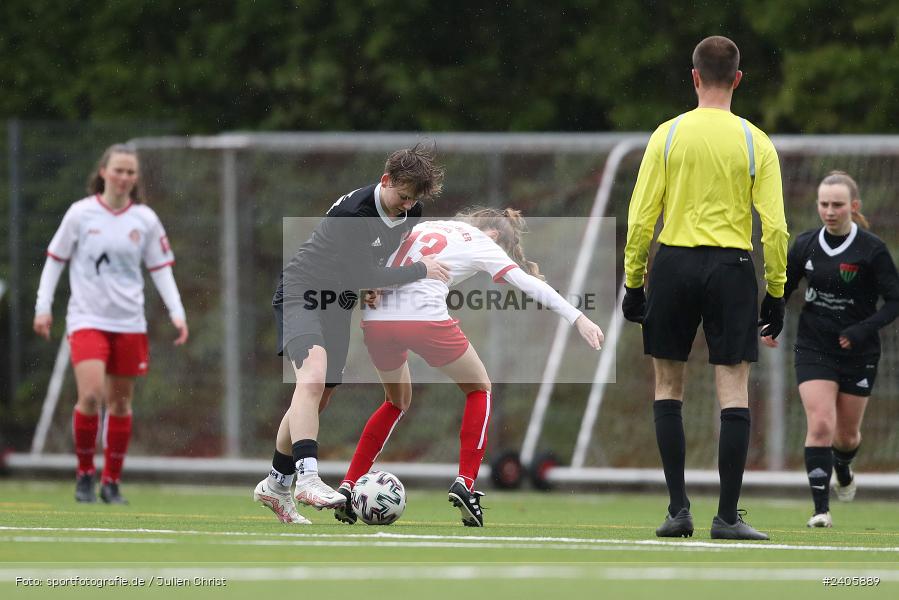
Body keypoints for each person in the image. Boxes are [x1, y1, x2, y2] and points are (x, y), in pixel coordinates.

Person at [330, 208, 604, 527]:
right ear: (494, 234)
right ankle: (466, 484)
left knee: (396, 401)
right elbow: (527, 283)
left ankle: (348, 486)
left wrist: (369, 286)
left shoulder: (430, 225)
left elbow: (377, 250)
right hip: (423, 318)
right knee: (479, 388)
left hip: (376, 317)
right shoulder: (480, 240)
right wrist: (578, 317)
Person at [622, 36, 789, 540]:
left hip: (673, 263)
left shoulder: (668, 135)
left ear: (694, 77)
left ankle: (678, 510)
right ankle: (727, 517)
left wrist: (634, 281)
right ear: (738, 79)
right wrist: (776, 290)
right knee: (733, 391)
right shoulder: (755, 141)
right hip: (732, 267)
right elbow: (775, 228)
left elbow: (641, 217)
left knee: (668, 386)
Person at [253, 143, 450, 524]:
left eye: (414, 200)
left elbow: (378, 263)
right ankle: (307, 478)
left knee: (319, 395)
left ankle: (276, 484)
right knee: (311, 379)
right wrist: (419, 270)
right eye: (403, 196)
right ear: (385, 180)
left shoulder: (411, 212)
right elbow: (366, 272)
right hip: (302, 292)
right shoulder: (353, 213)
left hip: (337, 303)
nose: (407, 206)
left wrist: (378, 284)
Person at [33, 143, 189, 504]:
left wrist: (177, 312)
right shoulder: (80, 214)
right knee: (90, 395)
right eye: (118, 170)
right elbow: (55, 260)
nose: (123, 177)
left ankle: (111, 482)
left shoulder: (145, 219)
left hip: (129, 322)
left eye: (130, 172)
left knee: (120, 404)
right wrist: (43, 307)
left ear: (136, 178)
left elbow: (160, 269)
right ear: (103, 172)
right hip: (87, 319)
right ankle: (85, 474)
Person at [762, 171, 899, 528]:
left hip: (859, 352)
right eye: (823, 204)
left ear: (854, 206)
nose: (829, 211)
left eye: (837, 205)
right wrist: (772, 322)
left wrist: (862, 329)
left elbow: (894, 301)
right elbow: (783, 288)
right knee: (821, 422)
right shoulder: (806, 244)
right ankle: (821, 510)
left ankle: (844, 466)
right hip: (814, 346)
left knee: (846, 436)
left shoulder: (872, 250)